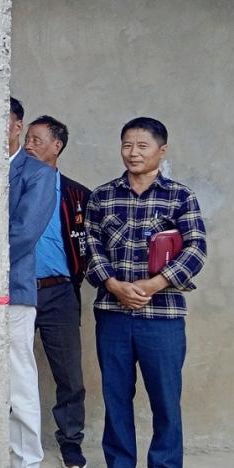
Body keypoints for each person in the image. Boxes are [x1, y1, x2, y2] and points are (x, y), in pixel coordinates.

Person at [86, 117, 206, 468]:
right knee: (116, 398)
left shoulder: (180, 196)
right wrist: (112, 284)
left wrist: (154, 284)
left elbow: (195, 248)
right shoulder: (102, 197)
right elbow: (90, 248)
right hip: (113, 315)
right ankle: (120, 463)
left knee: (166, 400)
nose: (133, 153)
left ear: (161, 150)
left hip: (163, 318)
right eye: (127, 145)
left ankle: (165, 463)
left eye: (142, 146)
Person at [23, 115, 91, 468]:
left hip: (59, 293)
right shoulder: (11, 186)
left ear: (57, 146)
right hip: (17, 291)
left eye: (36, 140)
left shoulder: (77, 194)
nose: (28, 145)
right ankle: (8, 437)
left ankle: (70, 442)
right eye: (27, 139)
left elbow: (88, 247)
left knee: (69, 375)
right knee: (10, 370)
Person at [5, 97, 58, 468]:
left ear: (16, 126)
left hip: (14, 288)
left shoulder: (39, 174)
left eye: (1, 119)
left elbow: (24, 233)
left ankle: (28, 458)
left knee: (18, 373)